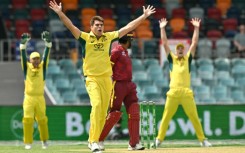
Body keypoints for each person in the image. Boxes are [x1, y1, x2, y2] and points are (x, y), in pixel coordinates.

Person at [49, 1, 155, 152]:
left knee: (102, 112)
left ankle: (97, 140)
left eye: (101, 25)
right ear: (91, 27)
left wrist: (143, 16)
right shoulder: (85, 38)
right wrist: (60, 13)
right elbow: (70, 26)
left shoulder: (108, 37)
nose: (99, 27)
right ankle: (92, 141)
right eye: (97, 25)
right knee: (97, 105)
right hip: (92, 78)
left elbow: (128, 28)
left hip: (107, 79)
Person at [153, 18, 212, 148]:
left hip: (186, 93)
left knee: (194, 117)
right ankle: (159, 140)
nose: (180, 50)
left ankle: (203, 140)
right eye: (178, 49)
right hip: (173, 93)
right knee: (166, 117)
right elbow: (165, 44)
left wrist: (196, 28)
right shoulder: (171, 59)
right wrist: (162, 28)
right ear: (175, 51)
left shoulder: (188, 59)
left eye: (181, 48)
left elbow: (194, 43)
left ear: (183, 50)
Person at [98, 33, 144, 151]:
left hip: (129, 84)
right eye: (130, 40)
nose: (131, 42)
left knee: (134, 111)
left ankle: (134, 143)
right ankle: (99, 140)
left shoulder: (125, 51)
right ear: (127, 40)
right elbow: (108, 67)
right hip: (118, 84)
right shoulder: (116, 51)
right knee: (114, 113)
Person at [19, 31, 51, 150]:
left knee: (42, 120)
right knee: (27, 120)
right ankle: (28, 142)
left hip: (40, 97)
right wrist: (23, 44)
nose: (36, 61)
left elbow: (46, 55)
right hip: (28, 97)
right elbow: (22, 54)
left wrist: (48, 43)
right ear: (30, 60)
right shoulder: (26, 67)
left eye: (38, 58)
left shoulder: (43, 67)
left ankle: (45, 141)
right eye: (34, 59)